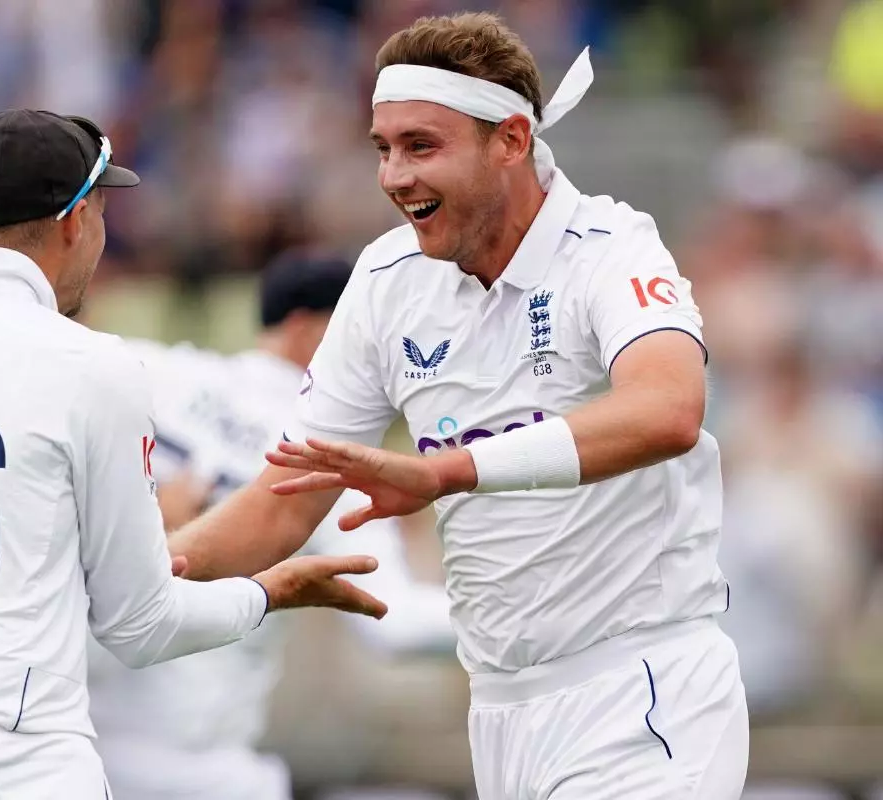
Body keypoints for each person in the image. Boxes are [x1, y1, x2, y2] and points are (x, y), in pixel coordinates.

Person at [168, 13, 748, 799]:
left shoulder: (611, 246)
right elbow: (287, 497)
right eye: (383, 148)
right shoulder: (386, 278)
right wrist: (151, 567)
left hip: (643, 688)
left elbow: (670, 410)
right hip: (501, 711)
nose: (393, 176)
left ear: (510, 140)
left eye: (421, 146)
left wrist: (447, 472)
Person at [0, 109, 387, 800]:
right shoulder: (91, 363)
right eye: (103, 213)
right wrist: (268, 593)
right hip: (7, 762)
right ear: (76, 220)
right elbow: (140, 626)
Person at [89, 250, 456, 800]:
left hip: (82, 754)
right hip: (201, 769)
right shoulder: (328, 453)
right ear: (309, 330)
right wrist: (539, 613)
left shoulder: (150, 372)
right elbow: (397, 623)